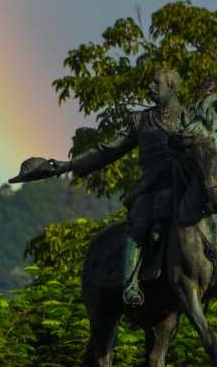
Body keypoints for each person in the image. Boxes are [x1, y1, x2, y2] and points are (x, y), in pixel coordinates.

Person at [47, 67, 191, 303]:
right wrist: (69, 165)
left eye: (156, 83)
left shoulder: (192, 118)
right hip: (153, 188)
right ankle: (130, 283)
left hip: (185, 186)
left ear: (172, 86)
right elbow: (109, 150)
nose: (150, 88)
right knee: (139, 225)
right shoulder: (141, 121)